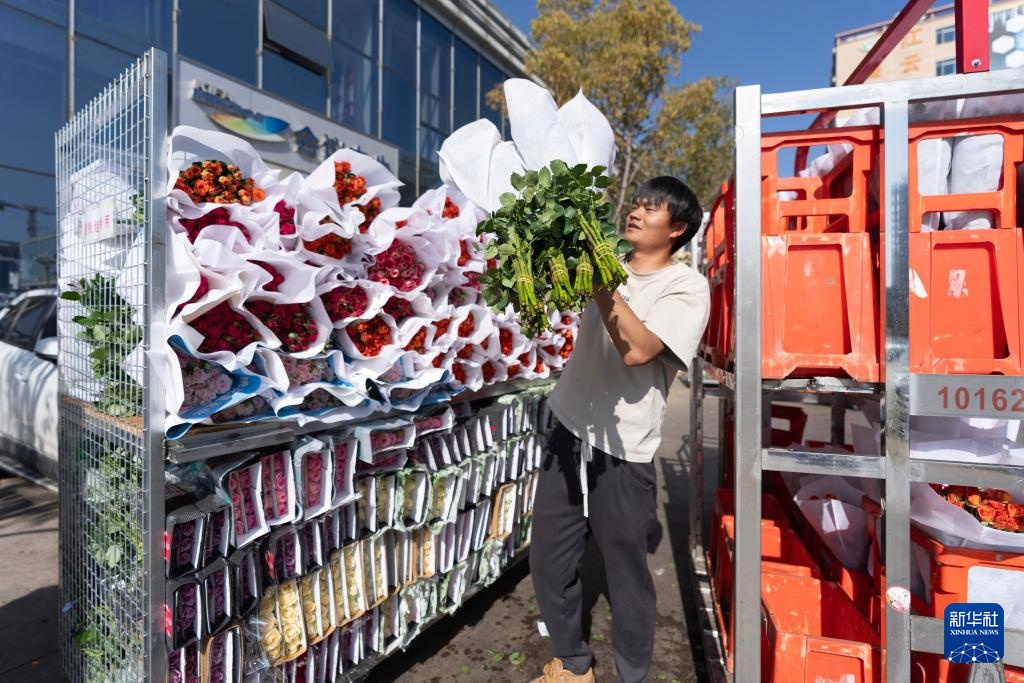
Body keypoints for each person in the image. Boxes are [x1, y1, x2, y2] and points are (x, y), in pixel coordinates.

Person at [529, 176, 711, 683]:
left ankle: (633, 676)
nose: (635, 213)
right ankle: (571, 665)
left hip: (623, 449)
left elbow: (638, 352)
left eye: (651, 210)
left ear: (676, 229)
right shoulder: (609, 263)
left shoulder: (687, 287)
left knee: (626, 575)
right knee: (547, 555)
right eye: (636, 204)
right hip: (568, 429)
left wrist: (597, 278)